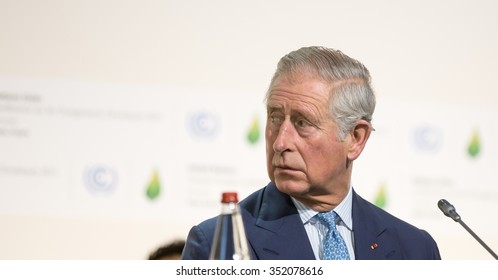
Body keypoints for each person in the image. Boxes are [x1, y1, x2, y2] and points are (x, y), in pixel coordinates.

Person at [181, 46, 441, 260]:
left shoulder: (415, 250)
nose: (280, 142)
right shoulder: (218, 245)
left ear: (355, 138)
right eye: (274, 118)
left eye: (302, 123)